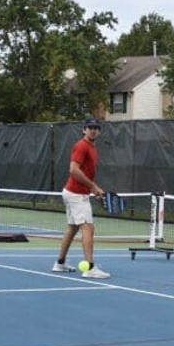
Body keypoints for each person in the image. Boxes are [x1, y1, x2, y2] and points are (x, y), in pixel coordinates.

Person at [52, 118, 109, 279]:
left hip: (74, 192)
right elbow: (73, 170)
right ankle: (90, 267)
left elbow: (84, 172)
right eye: (90, 127)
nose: (93, 130)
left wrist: (92, 188)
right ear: (84, 129)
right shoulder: (82, 146)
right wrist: (94, 187)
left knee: (73, 228)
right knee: (88, 228)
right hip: (76, 194)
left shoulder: (92, 147)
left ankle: (60, 263)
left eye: (96, 128)